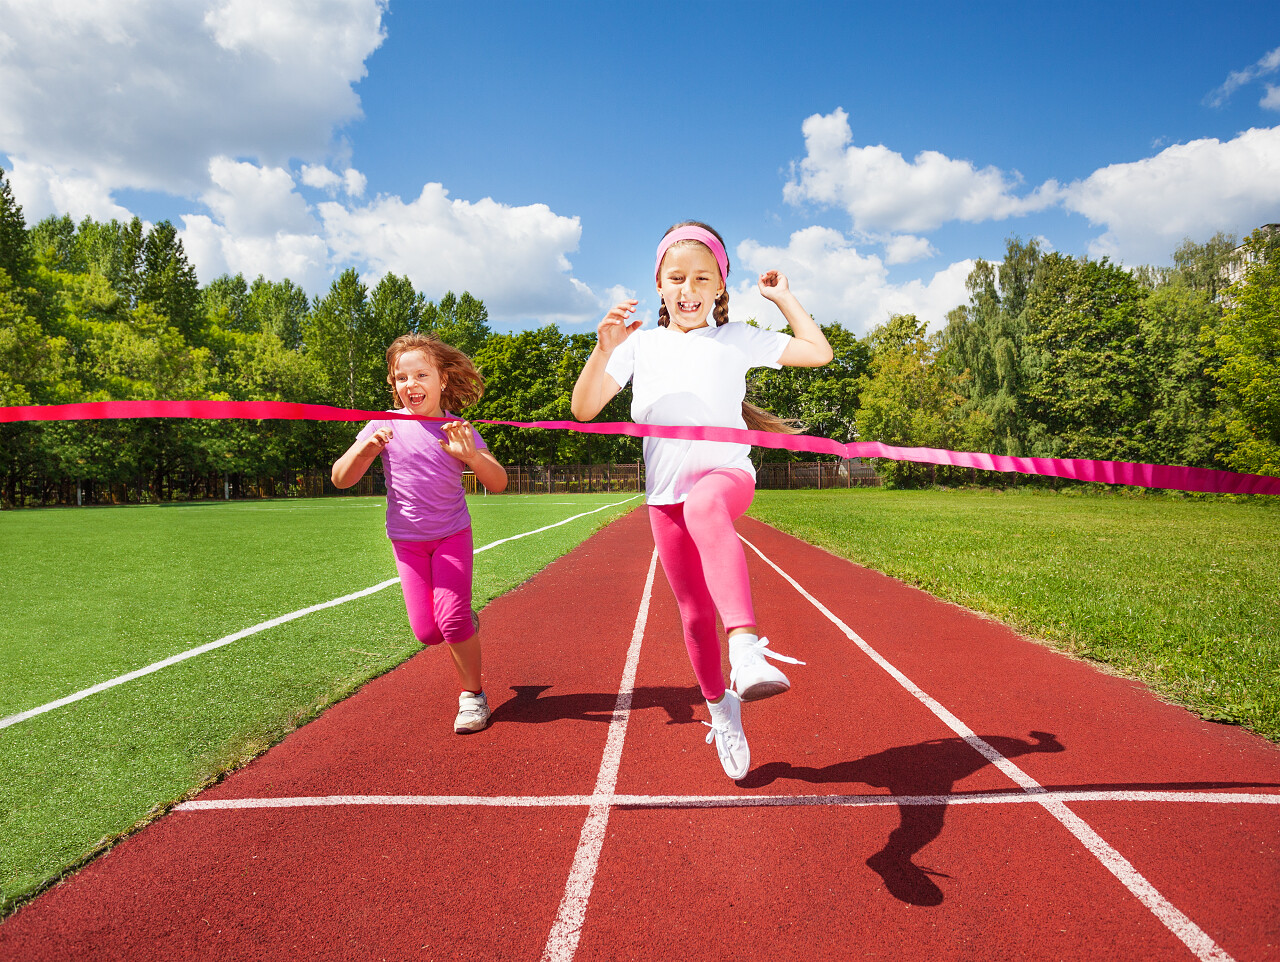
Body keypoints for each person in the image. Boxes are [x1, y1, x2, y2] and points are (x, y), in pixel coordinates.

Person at [571, 221, 833, 779]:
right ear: (660, 285)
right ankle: (723, 708)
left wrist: (784, 297)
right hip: (663, 496)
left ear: (719, 287)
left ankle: (745, 645)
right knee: (692, 615)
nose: (688, 288)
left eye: (701, 278)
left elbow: (818, 352)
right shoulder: (639, 344)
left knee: (706, 507)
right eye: (676, 278)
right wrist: (602, 351)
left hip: (725, 474)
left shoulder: (736, 338)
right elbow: (585, 409)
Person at [332, 333, 508, 734]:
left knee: (451, 619)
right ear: (393, 385)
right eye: (401, 377)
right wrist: (365, 450)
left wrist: (470, 456)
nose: (411, 384)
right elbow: (341, 479)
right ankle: (463, 621)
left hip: (451, 537)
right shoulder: (383, 425)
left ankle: (473, 696)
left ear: (443, 379)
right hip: (407, 542)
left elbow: (497, 482)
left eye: (421, 374)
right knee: (428, 632)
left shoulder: (457, 428)